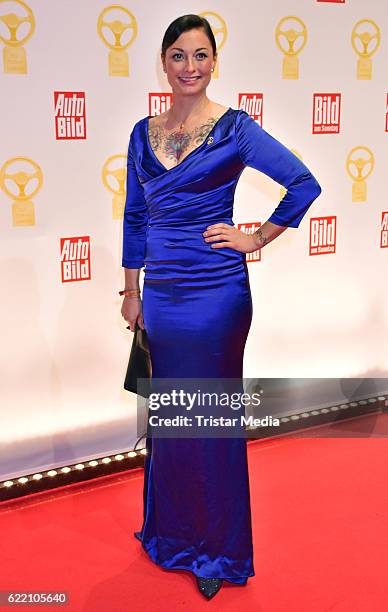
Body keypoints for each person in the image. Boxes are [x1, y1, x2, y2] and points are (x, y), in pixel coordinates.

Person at [120, 14, 322, 600]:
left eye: (201, 55)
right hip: (160, 295)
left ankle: (215, 550)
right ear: (164, 62)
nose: (190, 67)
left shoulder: (234, 129)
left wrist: (255, 238)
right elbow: (134, 217)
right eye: (179, 56)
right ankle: (169, 534)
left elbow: (303, 183)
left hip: (214, 293)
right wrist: (131, 289)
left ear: (215, 61)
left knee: (206, 419)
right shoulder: (141, 133)